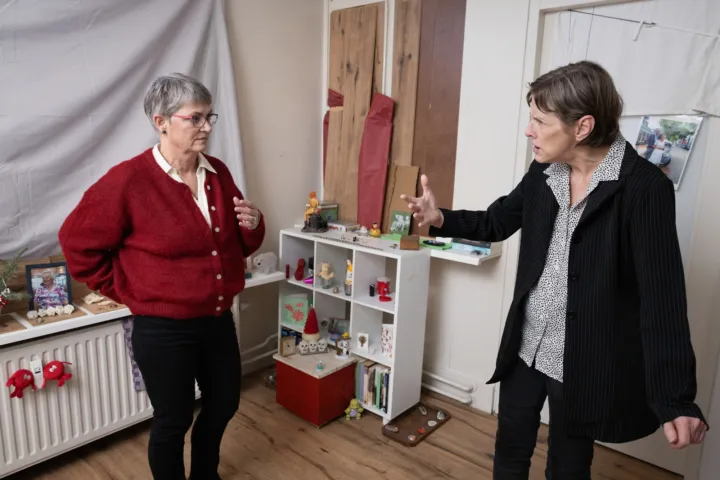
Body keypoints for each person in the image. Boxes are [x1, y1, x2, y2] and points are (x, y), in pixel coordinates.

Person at [402, 61, 707, 479]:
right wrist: (440, 217)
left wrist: (676, 398)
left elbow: (663, 299)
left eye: (539, 121)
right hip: (526, 347)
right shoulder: (545, 170)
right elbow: (498, 220)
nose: (529, 130)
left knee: (568, 465)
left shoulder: (644, 189)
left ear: (582, 127)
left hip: (583, 359)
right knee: (510, 447)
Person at [59, 72, 265, 479]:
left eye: (210, 117)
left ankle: (205, 475)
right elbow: (75, 242)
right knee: (172, 420)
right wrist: (128, 290)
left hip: (217, 319)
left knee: (224, 403)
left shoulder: (217, 172)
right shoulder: (128, 181)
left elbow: (241, 244)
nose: (206, 127)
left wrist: (255, 222)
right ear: (162, 121)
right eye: (196, 118)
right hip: (163, 328)